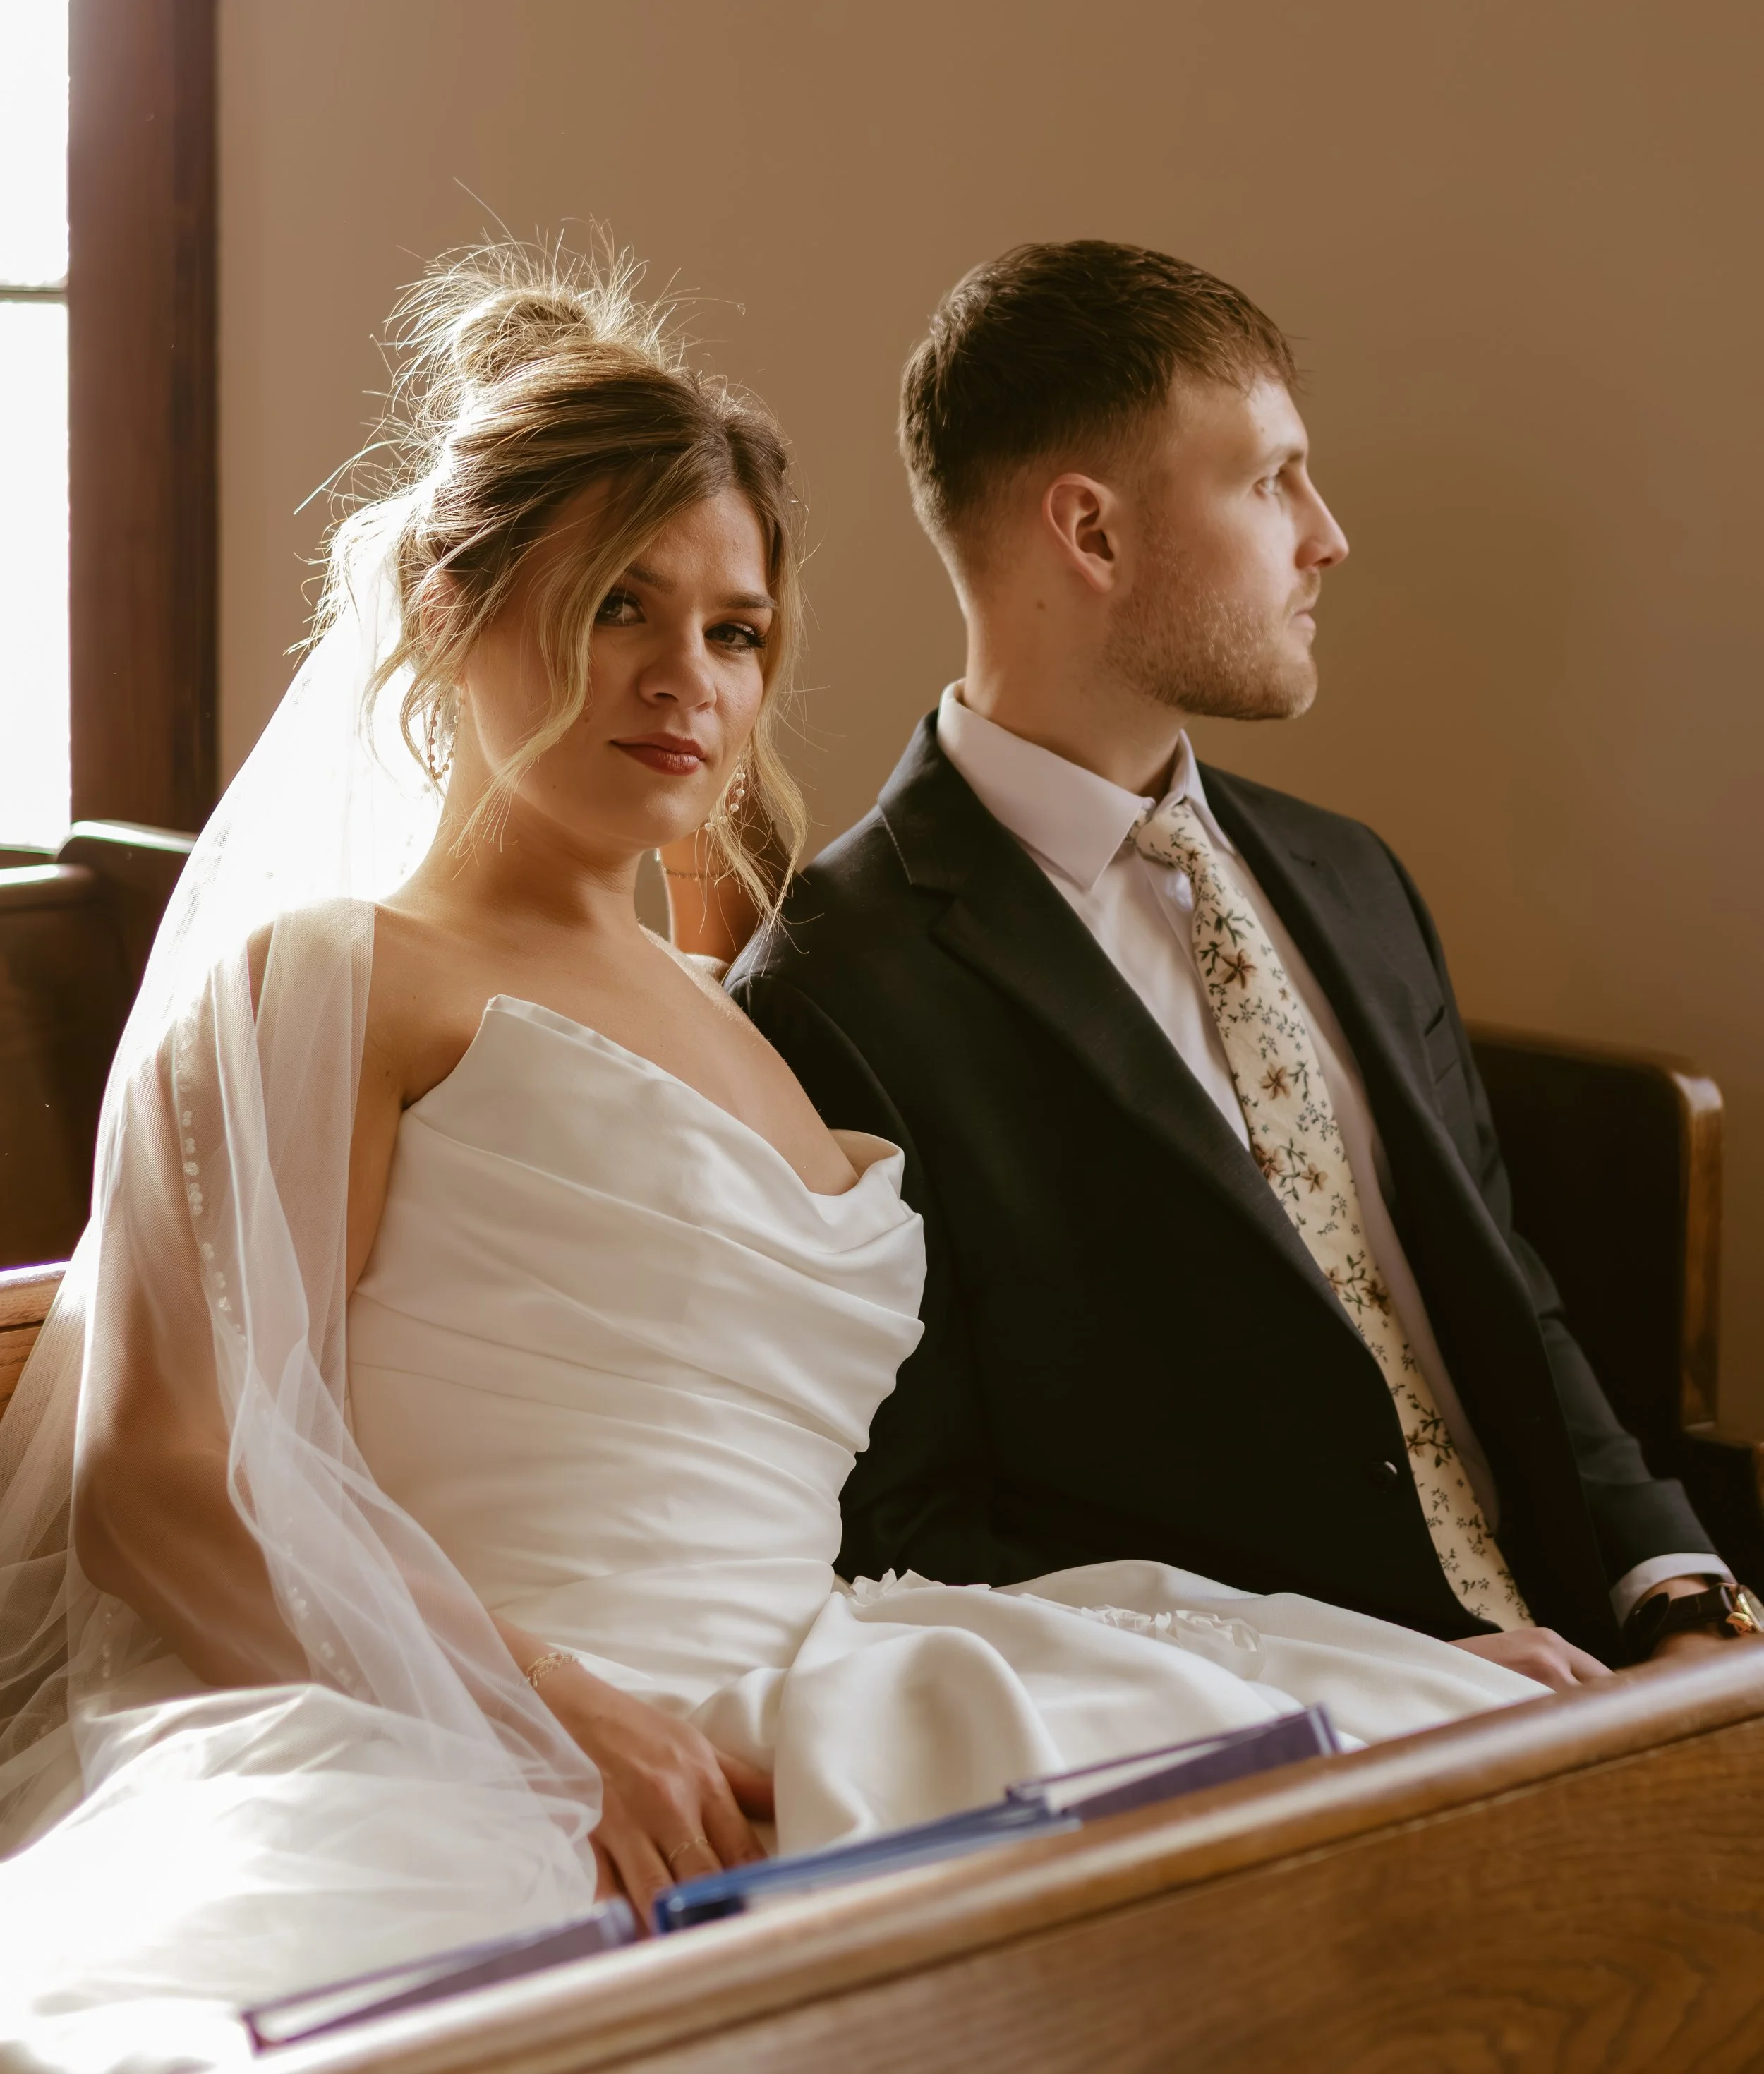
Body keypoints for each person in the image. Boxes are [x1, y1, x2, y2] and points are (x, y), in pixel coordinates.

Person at [0, 239, 1541, 2067]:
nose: (687, 678)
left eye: (733, 629)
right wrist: (552, 1710)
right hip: (466, 1736)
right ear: (446, 610)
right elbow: (162, 1481)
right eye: (615, 608)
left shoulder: (736, 1007)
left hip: (817, 1684)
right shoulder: (336, 977)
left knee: (1430, 1814)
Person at [729, 239, 1742, 1687]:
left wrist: (1674, 1585)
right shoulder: (830, 992)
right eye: (1268, 480)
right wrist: (1386, 1678)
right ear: (1089, 533)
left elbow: (1503, 1306)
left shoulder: (1348, 873)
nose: (1324, 534)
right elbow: (913, 1538)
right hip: (1278, 1756)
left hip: (1610, 1674)